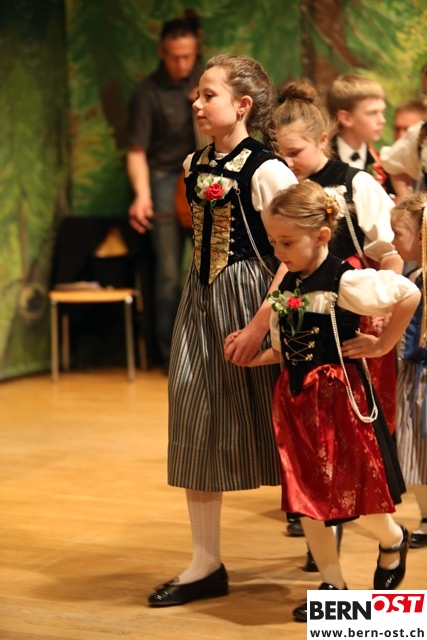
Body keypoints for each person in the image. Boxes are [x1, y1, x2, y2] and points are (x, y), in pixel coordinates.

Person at [147, 54, 297, 607]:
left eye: (208, 94)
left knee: (291, 424)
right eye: (197, 94)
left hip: (256, 300)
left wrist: (261, 322)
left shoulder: (268, 169)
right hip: (202, 299)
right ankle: (206, 562)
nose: (197, 103)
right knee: (194, 411)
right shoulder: (194, 164)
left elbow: (297, 255)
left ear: (242, 105)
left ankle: (327, 549)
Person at [233, 180, 419, 622]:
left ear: (320, 236)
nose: (278, 252)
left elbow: (409, 294)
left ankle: (392, 539)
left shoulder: (347, 280)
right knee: (305, 496)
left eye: (286, 242)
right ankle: (333, 585)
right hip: (296, 400)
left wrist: (381, 345)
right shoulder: (288, 282)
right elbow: (286, 345)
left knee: (353, 495)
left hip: (339, 400)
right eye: (273, 242)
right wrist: (259, 356)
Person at [274, 79, 402, 434]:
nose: (287, 162)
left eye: (295, 152)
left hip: (353, 307)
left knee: (357, 398)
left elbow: (390, 252)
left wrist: (384, 308)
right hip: (305, 308)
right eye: (280, 154)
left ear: (322, 140)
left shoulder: (356, 183)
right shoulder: (286, 189)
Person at [127, 14, 202, 373]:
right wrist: (142, 195)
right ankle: (171, 355)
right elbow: (136, 151)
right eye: (175, 57)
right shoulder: (148, 93)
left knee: (206, 267)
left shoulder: (203, 83)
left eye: (188, 56)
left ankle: (204, 351)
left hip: (200, 174)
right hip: (163, 177)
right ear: (162, 52)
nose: (182, 64)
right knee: (169, 272)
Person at [390, 192, 427, 549]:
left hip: (422, 373)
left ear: (420, 235)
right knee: (413, 451)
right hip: (412, 373)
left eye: (397, 233)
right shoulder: (413, 275)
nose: (392, 241)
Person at [326, 73, 394, 195]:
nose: (382, 120)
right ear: (346, 118)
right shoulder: (323, 159)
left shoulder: (382, 164)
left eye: (381, 112)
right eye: (372, 113)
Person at [380, 63, 427, 198]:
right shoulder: (419, 134)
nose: (425, 102)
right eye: (425, 93)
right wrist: (407, 201)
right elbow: (394, 165)